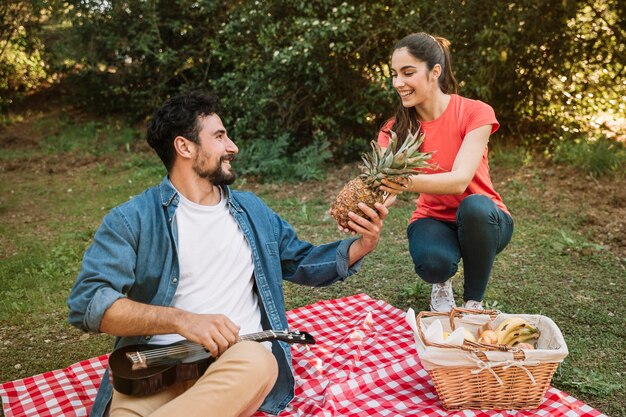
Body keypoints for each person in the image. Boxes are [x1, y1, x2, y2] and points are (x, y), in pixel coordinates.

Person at [66, 91, 389, 417]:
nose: (232, 147)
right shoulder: (133, 219)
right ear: (185, 147)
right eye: (219, 136)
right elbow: (89, 303)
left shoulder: (252, 211)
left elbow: (301, 262)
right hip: (155, 368)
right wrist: (181, 320)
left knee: (259, 361)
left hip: (237, 364)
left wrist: (362, 245)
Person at [377, 32, 514, 312]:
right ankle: (441, 282)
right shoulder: (393, 130)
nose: (398, 83)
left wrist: (401, 181)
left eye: (408, 72)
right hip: (433, 219)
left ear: (434, 72)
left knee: (474, 206)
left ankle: (473, 303)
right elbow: (383, 190)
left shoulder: (475, 112)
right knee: (433, 262)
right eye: (394, 74)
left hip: (487, 221)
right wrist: (363, 208)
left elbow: (460, 180)